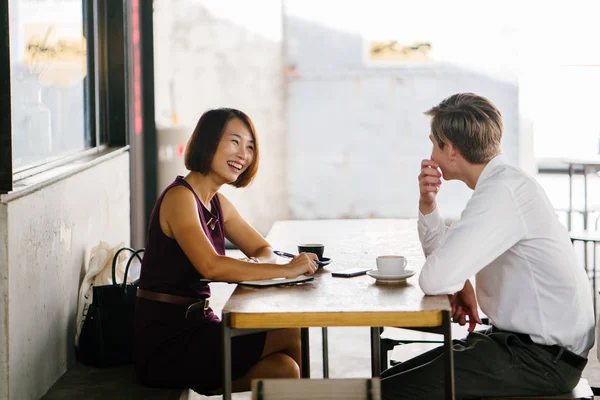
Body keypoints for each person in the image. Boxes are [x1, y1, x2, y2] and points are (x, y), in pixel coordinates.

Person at [381, 93, 595, 399]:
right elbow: (448, 262)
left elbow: (435, 278)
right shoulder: (502, 185)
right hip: (520, 347)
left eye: (434, 143)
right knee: (384, 381)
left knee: (388, 391)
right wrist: (428, 204)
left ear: (451, 150)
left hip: (541, 361)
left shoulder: (503, 192)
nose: (431, 153)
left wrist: (456, 280)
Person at [134, 108, 318, 394]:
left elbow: (262, 247)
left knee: (285, 370)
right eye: (234, 142)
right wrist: (285, 269)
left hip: (200, 326)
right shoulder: (180, 197)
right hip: (168, 340)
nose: (243, 154)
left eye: (250, 147)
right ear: (208, 142)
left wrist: (261, 261)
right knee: (289, 330)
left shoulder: (217, 203)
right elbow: (212, 266)